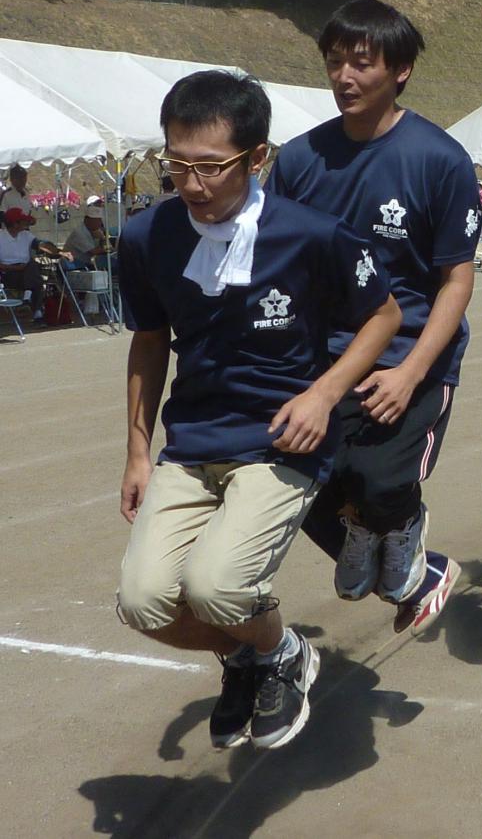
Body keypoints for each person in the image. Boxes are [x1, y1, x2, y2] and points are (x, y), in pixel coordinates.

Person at [116, 70, 400, 750]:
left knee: (216, 587)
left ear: (257, 158)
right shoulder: (147, 237)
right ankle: (257, 654)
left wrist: (324, 393)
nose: (191, 184)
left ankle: (277, 654)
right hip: (192, 443)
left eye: (211, 167)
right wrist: (135, 450)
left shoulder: (311, 235)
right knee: (144, 602)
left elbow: (383, 317)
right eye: (176, 164)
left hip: (282, 443)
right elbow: (150, 340)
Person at [266, 0, 478, 634]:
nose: (344, 79)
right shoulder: (299, 161)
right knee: (281, 472)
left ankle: (397, 523)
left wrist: (412, 372)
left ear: (401, 69)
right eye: (334, 63)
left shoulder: (440, 160)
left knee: (380, 481)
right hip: (321, 355)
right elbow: (281, 266)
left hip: (408, 353)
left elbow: (457, 280)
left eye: (361, 64)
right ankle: (378, 542)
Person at [1, 207, 62, 320]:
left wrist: (59, 252)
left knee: (32, 267)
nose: (26, 223)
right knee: (35, 276)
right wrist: (14, 268)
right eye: (23, 221)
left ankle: (28, 300)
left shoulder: (26, 235)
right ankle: (35, 310)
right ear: (15, 224)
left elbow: (40, 244)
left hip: (26, 271)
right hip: (8, 273)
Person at [63, 197, 107, 270]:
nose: (99, 223)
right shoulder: (80, 233)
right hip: (76, 265)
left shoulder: (93, 230)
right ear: (87, 220)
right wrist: (103, 239)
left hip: (85, 263)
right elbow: (94, 251)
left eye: (99, 220)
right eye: (96, 220)